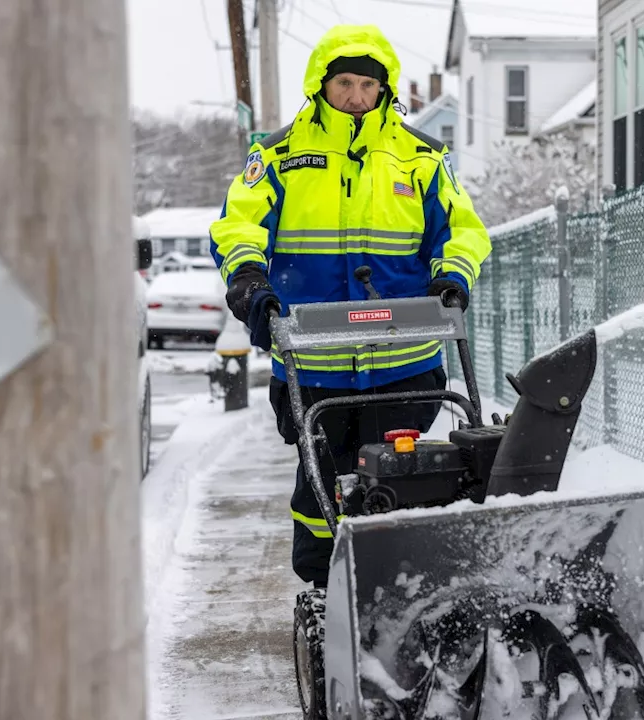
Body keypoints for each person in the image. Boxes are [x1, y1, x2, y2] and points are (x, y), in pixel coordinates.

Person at [209, 24, 491, 589]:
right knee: (323, 486)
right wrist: (248, 281)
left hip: (405, 361)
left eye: (367, 84)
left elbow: (462, 230)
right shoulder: (279, 156)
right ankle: (324, 592)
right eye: (345, 82)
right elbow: (238, 225)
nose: (357, 96)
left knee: (404, 477)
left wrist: (451, 277)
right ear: (323, 84)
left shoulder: (422, 158)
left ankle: (407, 585)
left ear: (384, 90)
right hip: (314, 364)